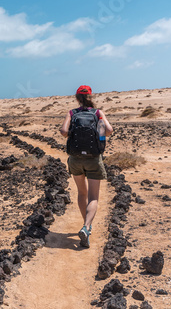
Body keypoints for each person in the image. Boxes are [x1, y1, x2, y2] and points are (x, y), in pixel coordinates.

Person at [59, 85, 113, 248]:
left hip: (75, 159)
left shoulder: (72, 113)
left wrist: (73, 133)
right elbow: (109, 130)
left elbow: (63, 131)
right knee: (94, 196)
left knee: (82, 193)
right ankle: (87, 226)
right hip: (93, 158)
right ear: (91, 97)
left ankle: (86, 227)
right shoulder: (97, 113)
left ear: (77, 98)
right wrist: (99, 132)